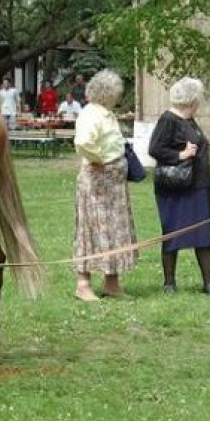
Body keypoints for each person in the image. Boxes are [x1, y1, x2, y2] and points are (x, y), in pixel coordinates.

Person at [71, 69, 137, 302]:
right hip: (97, 183)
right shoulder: (91, 114)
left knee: (113, 229)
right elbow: (82, 142)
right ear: (107, 93)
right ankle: (83, 283)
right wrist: (99, 159)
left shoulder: (106, 113)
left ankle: (112, 282)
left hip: (113, 185)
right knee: (91, 229)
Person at [148, 77, 210, 296]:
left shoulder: (190, 120)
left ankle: (208, 283)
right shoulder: (168, 119)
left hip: (198, 186)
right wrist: (181, 155)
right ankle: (169, 283)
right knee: (172, 233)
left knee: (203, 234)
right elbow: (155, 149)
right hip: (175, 187)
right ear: (192, 100)